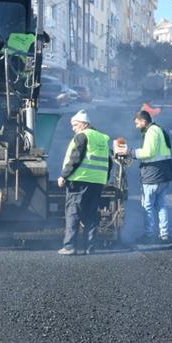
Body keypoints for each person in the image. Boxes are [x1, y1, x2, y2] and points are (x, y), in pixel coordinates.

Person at [56, 109, 111, 255]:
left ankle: (69, 246)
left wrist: (64, 175)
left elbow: (75, 158)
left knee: (73, 213)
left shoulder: (82, 136)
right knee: (91, 215)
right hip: (97, 182)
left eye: (75, 125)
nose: (73, 128)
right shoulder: (102, 139)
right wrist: (104, 179)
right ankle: (90, 246)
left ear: (84, 124)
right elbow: (109, 161)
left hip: (79, 180)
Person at [133, 108, 172, 242]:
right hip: (164, 174)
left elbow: (148, 153)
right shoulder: (159, 129)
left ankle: (148, 234)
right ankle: (164, 233)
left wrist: (132, 153)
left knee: (147, 206)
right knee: (161, 205)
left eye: (137, 123)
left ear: (144, 121)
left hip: (152, 175)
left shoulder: (151, 131)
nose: (136, 126)